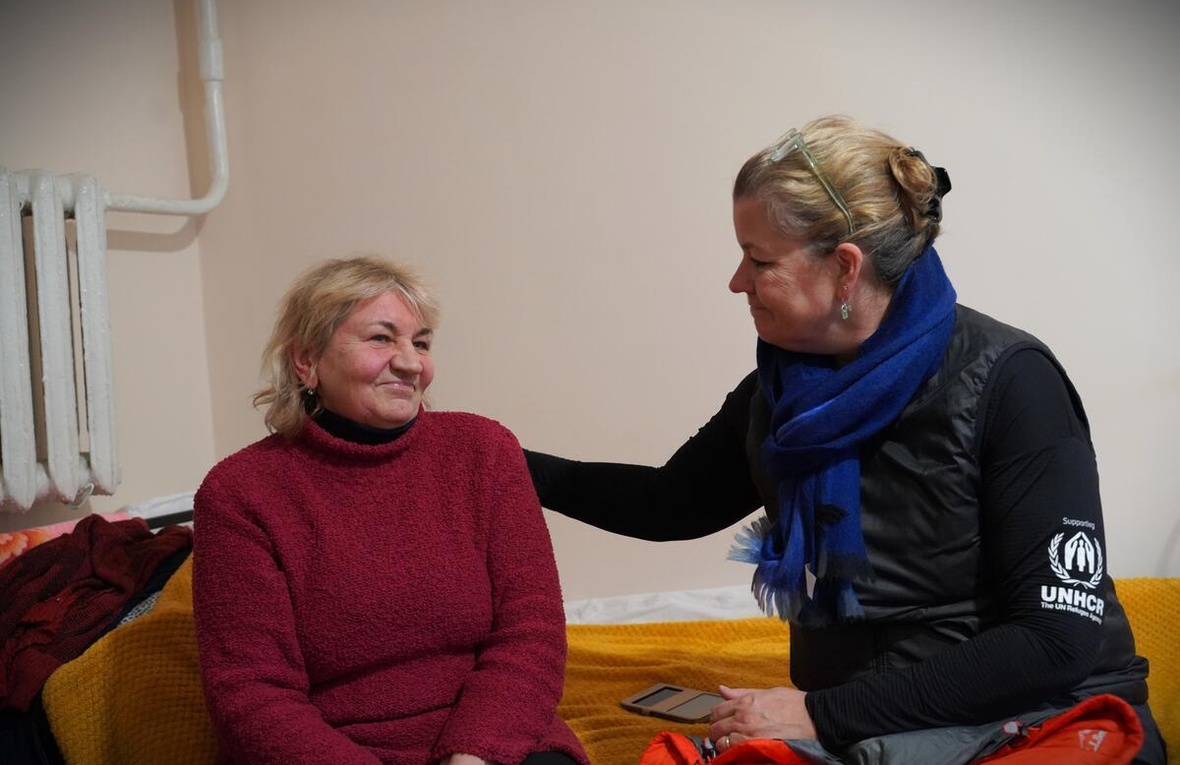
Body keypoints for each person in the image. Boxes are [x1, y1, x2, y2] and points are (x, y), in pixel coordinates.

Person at [524, 116, 1166, 764]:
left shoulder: (1012, 381)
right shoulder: (780, 391)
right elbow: (669, 502)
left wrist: (817, 712)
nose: (736, 281)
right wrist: (493, 458)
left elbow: (1056, 639)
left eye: (759, 259)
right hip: (869, 729)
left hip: (1049, 719)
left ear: (844, 268)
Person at [192, 256, 589, 765]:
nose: (410, 362)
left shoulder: (483, 450)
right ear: (306, 361)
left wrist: (473, 755)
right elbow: (251, 694)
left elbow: (531, 634)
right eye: (382, 339)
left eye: (420, 343)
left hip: (494, 742)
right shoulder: (240, 493)